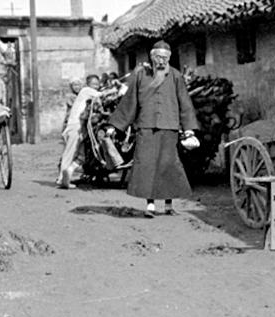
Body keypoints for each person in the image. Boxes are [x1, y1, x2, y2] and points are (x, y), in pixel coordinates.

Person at [106, 40, 198, 218]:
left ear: (169, 58)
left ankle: (169, 205)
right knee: (146, 165)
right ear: (152, 58)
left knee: (168, 165)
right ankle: (150, 205)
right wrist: (115, 126)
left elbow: (185, 104)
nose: (161, 61)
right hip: (146, 127)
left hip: (169, 127)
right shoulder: (141, 76)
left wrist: (189, 129)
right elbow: (129, 102)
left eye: (164, 58)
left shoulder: (176, 76)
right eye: (158, 57)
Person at [57, 74, 101, 189]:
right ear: (87, 85)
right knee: (70, 153)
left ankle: (68, 173)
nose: (96, 86)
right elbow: (102, 95)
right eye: (94, 84)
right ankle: (61, 179)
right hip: (75, 126)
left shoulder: (86, 94)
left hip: (80, 128)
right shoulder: (86, 91)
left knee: (82, 156)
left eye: (97, 84)